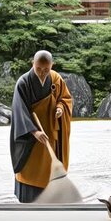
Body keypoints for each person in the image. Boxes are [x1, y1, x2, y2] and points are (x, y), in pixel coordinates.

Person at [10, 50, 73, 203]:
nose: (42, 73)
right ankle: (29, 199)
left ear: (52, 65)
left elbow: (65, 98)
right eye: (38, 69)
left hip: (51, 131)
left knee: (51, 165)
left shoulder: (56, 78)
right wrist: (33, 131)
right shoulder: (23, 82)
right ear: (33, 64)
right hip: (32, 137)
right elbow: (19, 111)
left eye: (46, 69)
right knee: (32, 167)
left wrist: (60, 108)